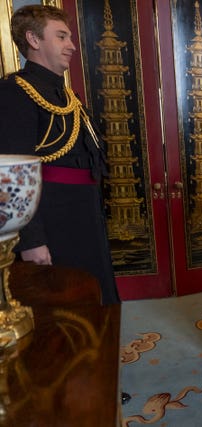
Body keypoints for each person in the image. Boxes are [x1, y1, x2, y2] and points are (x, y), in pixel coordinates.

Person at [0, 4, 119, 305]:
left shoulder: (67, 95)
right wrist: (32, 240)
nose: (72, 46)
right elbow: (12, 175)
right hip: (52, 220)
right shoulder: (14, 92)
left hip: (83, 214)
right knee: (65, 308)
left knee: (94, 297)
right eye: (62, 37)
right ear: (34, 39)